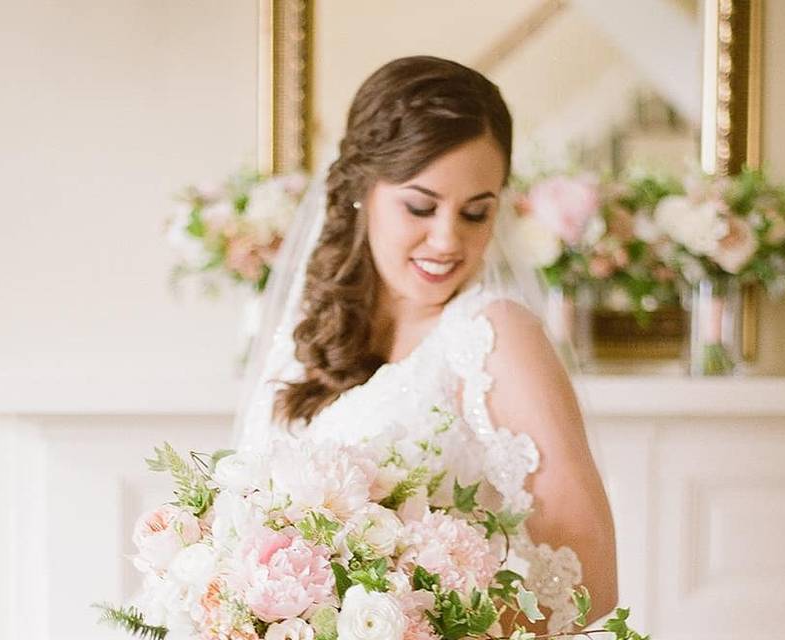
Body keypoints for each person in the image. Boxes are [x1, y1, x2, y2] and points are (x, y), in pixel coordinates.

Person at [233, 55, 617, 634]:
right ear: (363, 189)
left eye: (475, 212)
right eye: (420, 206)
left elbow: (591, 579)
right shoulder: (309, 328)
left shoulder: (495, 337)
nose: (447, 239)